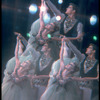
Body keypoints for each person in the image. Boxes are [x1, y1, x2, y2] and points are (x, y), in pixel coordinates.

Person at [2, 36, 39, 100]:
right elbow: (16, 54)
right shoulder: (18, 64)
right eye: (25, 62)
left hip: (18, 90)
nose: (24, 62)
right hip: (9, 87)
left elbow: (19, 81)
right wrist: (17, 42)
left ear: (27, 67)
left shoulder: (25, 73)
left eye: (26, 63)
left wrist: (14, 78)